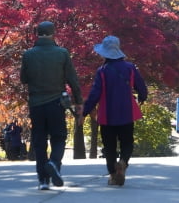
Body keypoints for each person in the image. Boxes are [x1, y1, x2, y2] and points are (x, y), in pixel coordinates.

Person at [21, 21, 83, 191]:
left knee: (39, 141)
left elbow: (23, 79)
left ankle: (43, 180)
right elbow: (72, 80)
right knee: (59, 137)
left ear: (37, 33)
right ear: (53, 33)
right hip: (56, 102)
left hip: (36, 103)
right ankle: (54, 163)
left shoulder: (28, 55)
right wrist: (79, 102)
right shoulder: (62, 53)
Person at [81, 35, 148, 187]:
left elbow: (95, 93)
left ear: (104, 53)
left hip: (107, 114)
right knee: (127, 142)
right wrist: (143, 96)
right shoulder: (130, 68)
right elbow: (141, 86)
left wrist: (86, 110)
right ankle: (123, 161)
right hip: (126, 112)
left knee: (109, 147)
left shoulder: (102, 71)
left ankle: (112, 175)